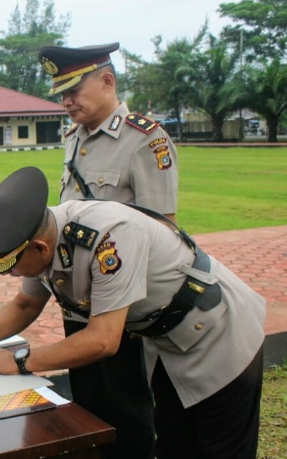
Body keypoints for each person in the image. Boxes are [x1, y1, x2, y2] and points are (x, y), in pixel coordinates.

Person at [0, 167, 265, 459]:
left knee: (220, 448)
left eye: (8, 266)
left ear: (39, 248)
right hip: (169, 342)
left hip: (219, 333)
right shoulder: (39, 235)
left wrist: (19, 360)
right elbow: (25, 305)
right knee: (174, 445)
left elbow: (103, 340)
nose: (10, 275)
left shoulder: (109, 237)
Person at [36, 42, 180, 459]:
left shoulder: (145, 140)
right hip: (78, 301)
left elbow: (161, 230)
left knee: (129, 417)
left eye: (73, 90)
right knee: (89, 411)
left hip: (124, 312)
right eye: (60, 93)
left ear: (107, 81)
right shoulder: (74, 139)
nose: (66, 101)